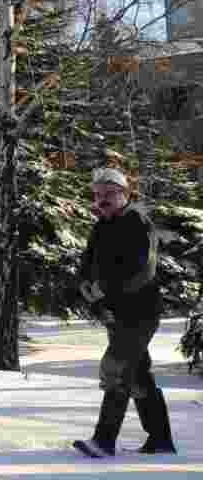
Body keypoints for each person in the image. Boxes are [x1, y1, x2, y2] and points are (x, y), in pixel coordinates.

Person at [72, 167, 176, 457]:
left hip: (140, 312)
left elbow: (144, 270)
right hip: (115, 313)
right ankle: (160, 440)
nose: (102, 199)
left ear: (124, 194)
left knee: (115, 369)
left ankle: (104, 441)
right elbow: (87, 264)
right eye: (97, 194)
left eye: (109, 193)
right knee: (138, 376)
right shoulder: (102, 225)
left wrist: (106, 289)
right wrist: (86, 288)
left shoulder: (137, 222)